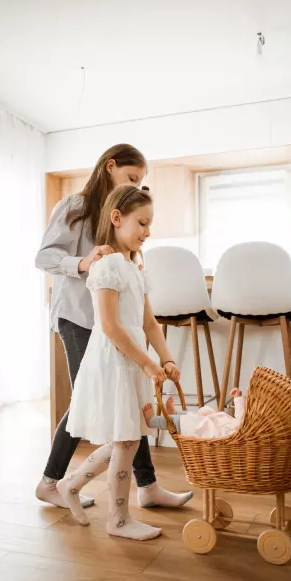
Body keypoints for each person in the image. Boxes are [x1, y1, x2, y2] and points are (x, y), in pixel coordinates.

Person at [35, 144, 193, 512]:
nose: (135, 185)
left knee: (133, 400)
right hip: (79, 317)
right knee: (85, 401)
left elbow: (146, 317)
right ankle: (50, 483)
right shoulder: (76, 207)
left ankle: (147, 486)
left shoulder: (123, 226)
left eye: (140, 182)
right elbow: (44, 256)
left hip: (114, 324)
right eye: (131, 177)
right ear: (110, 166)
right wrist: (83, 261)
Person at [57, 184, 182, 540]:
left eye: (150, 224)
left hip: (132, 359)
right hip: (115, 360)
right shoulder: (107, 266)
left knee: (125, 439)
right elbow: (110, 326)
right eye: (141, 223)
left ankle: (70, 484)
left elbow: (149, 323)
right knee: (127, 440)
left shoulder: (135, 269)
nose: (147, 231)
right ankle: (118, 519)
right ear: (116, 218)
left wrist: (166, 358)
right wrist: (146, 363)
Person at [143, 389, 245, 439]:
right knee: (195, 415)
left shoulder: (243, 434)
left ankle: (153, 421)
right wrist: (238, 397)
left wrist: (238, 398)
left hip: (210, 431)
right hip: (215, 422)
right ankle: (175, 413)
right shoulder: (244, 425)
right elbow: (241, 416)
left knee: (185, 421)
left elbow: (241, 418)